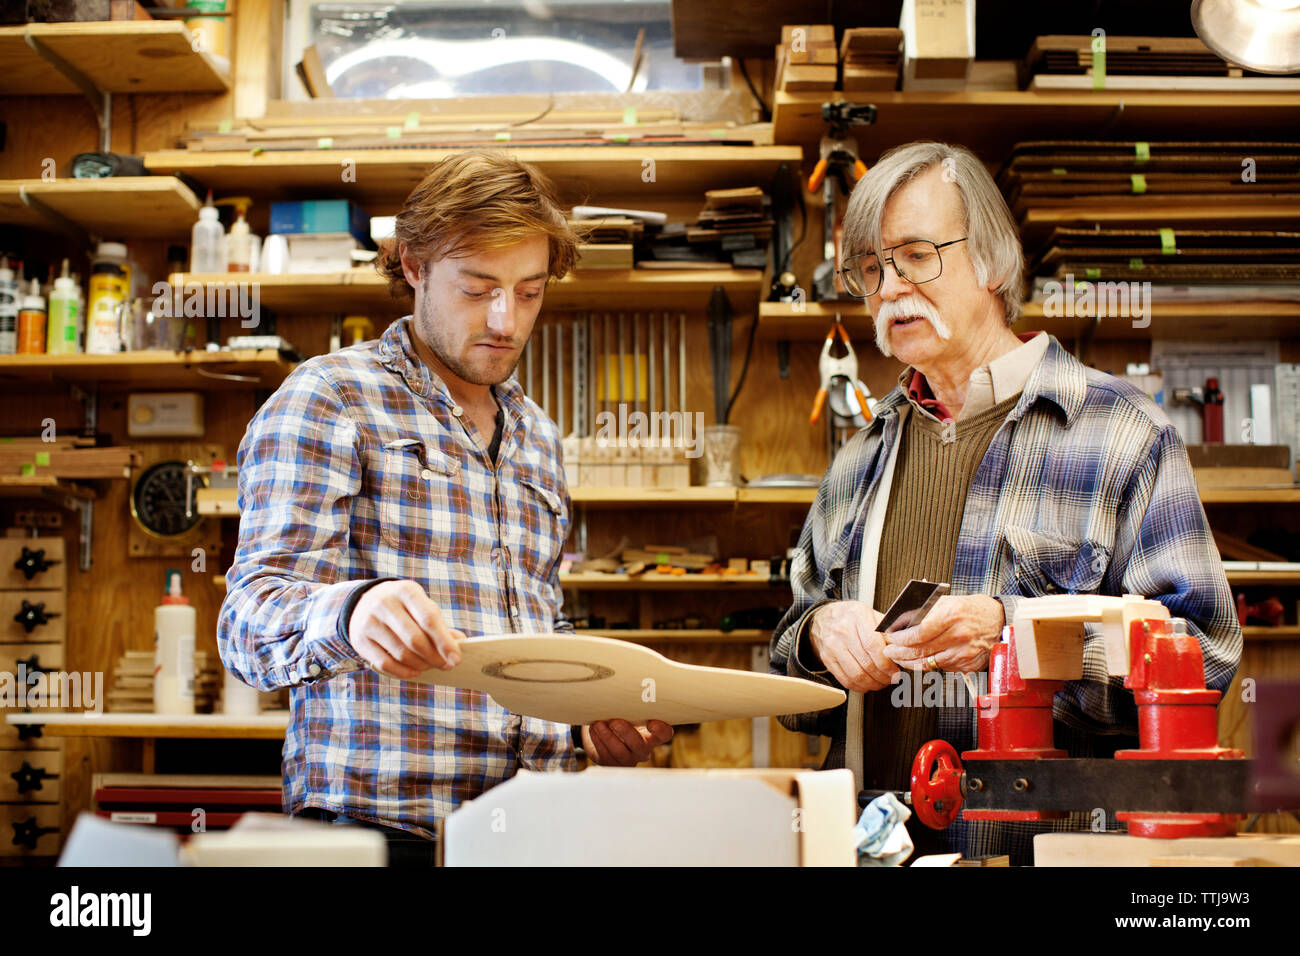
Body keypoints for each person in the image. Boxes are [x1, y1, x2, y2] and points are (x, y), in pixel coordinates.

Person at [770, 141, 1240, 864]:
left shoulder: (1122, 434)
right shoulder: (859, 459)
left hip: (1050, 854)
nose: (891, 288)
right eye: (872, 268)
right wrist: (819, 635)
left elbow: (1205, 657)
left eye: (917, 255)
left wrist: (1019, 643)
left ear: (990, 261)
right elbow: (787, 670)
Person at [218, 151, 672, 866]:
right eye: (478, 287)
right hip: (380, 830)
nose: (505, 320)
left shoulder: (539, 438)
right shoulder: (331, 397)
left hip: (534, 829)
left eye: (529, 292)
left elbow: (535, 635)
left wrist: (585, 727)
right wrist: (352, 613)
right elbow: (246, 624)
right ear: (414, 265)